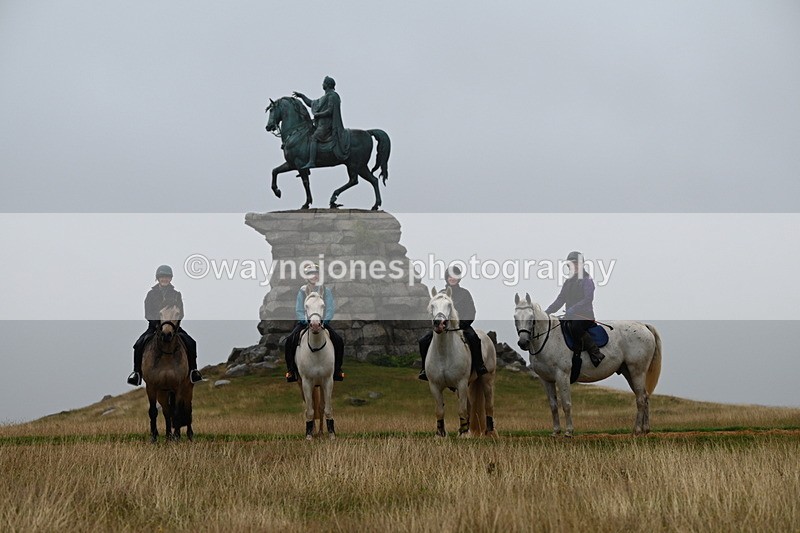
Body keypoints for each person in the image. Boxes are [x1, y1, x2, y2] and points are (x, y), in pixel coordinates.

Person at [127, 265, 203, 386]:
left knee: (191, 342)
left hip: (173, 328)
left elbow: (181, 313)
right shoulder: (151, 294)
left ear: (170, 279)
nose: (165, 279)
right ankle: (137, 373)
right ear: (158, 278)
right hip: (154, 328)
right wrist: (157, 325)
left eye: (167, 277)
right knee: (138, 345)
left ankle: (193, 371)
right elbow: (148, 313)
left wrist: (173, 325)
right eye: (162, 277)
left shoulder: (176, 294)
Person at [418, 265, 489, 381]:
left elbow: (471, 311)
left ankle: (479, 366)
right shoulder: (440, 294)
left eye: (455, 277)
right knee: (423, 341)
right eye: (450, 276)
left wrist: (461, 324)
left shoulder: (465, 293)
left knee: (474, 338)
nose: (452, 279)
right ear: (446, 278)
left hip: (461, 326)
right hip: (443, 326)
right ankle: (424, 369)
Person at [284, 263, 345, 382]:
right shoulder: (302, 291)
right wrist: (305, 321)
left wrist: (324, 321)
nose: (314, 276)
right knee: (289, 341)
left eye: (316, 274)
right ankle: (291, 370)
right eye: (311, 274)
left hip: (322, 323)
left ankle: (337, 370)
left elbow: (330, 308)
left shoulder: (325, 291)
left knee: (338, 341)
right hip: (305, 323)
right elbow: (299, 309)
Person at [545, 251, 605, 367]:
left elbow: (588, 298)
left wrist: (574, 308)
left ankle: (595, 352)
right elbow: (560, 300)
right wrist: (547, 312)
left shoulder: (587, 280)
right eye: (571, 264)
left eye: (576, 264)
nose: (574, 266)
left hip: (585, 316)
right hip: (570, 316)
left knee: (575, 327)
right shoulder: (568, 282)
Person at [292, 76, 350, 169]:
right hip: (321, 125)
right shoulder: (324, 97)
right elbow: (311, 103)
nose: (322, 84)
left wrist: (319, 115)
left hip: (327, 126)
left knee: (314, 138)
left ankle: (311, 161)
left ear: (327, 85)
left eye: (324, 83)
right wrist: (302, 96)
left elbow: (330, 110)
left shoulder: (332, 96)